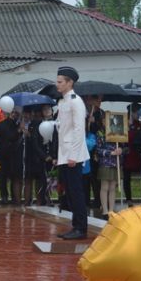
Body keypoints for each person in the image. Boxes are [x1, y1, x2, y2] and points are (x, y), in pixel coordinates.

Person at [55, 66, 89, 240]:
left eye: (60, 82)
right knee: (69, 192)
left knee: (76, 192)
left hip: (72, 154)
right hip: (65, 153)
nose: (57, 84)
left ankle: (81, 228)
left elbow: (78, 130)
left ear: (70, 82)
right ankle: (76, 226)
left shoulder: (76, 101)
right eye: (57, 81)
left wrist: (73, 155)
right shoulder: (63, 101)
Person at [92, 113, 125, 217]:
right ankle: (105, 210)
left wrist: (121, 150)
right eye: (104, 120)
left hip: (116, 163)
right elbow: (98, 149)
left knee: (112, 187)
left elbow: (124, 147)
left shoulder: (118, 132)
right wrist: (110, 153)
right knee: (105, 186)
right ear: (102, 122)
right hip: (105, 163)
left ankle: (111, 210)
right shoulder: (100, 133)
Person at [0, 109, 23, 204]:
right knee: (3, 177)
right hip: (3, 155)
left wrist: (20, 130)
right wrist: (0, 149)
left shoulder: (17, 124)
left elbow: (16, 138)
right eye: (13, 113)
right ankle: (4, 197)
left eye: (16, 113)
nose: (14, 115)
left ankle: (14, 197)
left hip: (14, 155)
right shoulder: (0, 124)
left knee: (14, 176)